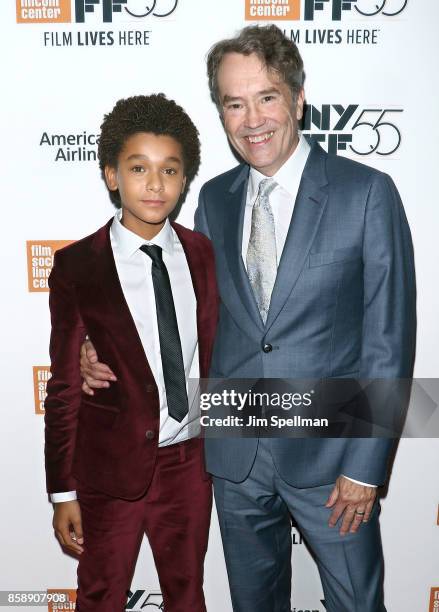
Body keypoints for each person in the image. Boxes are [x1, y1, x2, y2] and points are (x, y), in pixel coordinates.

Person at [80, 26, 416, 612]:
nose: (252, 118)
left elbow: (389, 340)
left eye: (266, 98)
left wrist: (365, 468)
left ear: (297, 99)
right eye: (234, 103)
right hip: (236, 456)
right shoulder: (214, 197)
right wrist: (99, 349)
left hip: (332, 459)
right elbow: (187, 313)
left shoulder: (366, 193)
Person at [44, 94, 218, 612]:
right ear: (112, 175)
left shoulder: (203, 253)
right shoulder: (78, 265)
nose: (155, 184)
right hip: (108, 468)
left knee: (188, 594)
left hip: (189, 462)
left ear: (185, 179)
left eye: (170, 170)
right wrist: (62, 492)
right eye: (138, 168)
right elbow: (63, 388)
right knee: (101, 595)